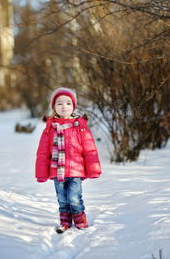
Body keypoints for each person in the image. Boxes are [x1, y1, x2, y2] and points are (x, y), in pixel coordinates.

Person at [35, 87, 102, 233]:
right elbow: (42, 153)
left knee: (74, 197)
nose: (64, 106)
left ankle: (80, 220)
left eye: (68, 103)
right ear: (54, 107)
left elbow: (90, 150)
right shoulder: (49, 129)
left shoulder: (80, 127)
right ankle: (65, 222)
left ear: (73, 107)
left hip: (76, 170)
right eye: (59, 103)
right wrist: (41, 173)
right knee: (62, 199)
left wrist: (93, 169)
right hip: (57, 171)